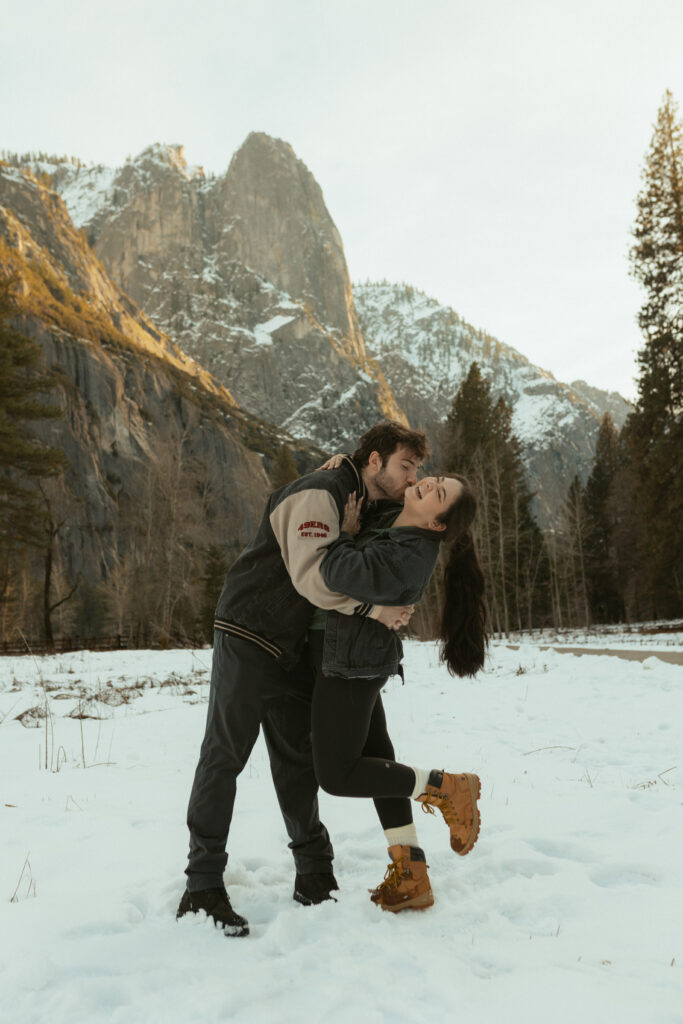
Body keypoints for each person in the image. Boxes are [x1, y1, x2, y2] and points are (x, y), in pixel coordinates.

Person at [177, 422, 428, 936]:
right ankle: (201, 886)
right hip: (250, 631)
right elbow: (312, 576)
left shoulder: (354, 495)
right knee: (224, 755)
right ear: (375, 461)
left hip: (290, 645)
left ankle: (313, 872)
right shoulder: (322, 490)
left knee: (295, 763)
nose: (411, 479)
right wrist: (373, 610)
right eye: (407, 466)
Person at [304, 473, 489, 912]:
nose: (427, 484)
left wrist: (344, 535)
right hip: (351, 657)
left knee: (336, 774)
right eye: (434, 479)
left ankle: (446, 787)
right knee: (378, 758)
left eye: (438, 493)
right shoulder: (396, 522)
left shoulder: (410, 553)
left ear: (438, 524)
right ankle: (411, 872)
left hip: (352, 665)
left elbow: (335, 573)